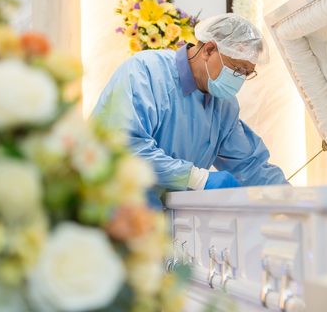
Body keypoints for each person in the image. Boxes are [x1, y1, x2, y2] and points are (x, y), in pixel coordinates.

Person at [92, 13, 288, 207]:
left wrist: (291, 198)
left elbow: (250, 165)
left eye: (247, 73)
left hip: (156, 225)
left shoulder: (224, 105)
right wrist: (197, 179)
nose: (240, 79)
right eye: (237, 69)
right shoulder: (145, 71)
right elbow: (124, 147)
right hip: (105, 209)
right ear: (209, 50)